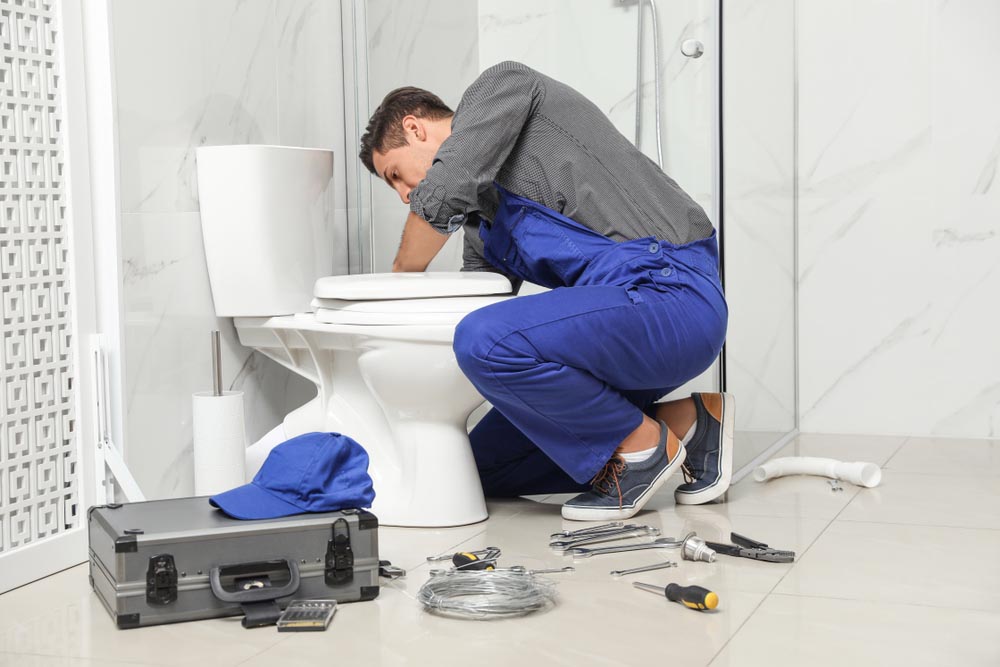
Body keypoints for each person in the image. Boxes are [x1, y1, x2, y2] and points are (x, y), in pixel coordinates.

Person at [358, 61, 732, 521]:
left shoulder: (503, 86)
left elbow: (448, 188)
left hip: (672, 295)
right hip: (621, 337)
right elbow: (479, 301)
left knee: (484, 338)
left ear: (414, 128)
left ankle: (641, 451)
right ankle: (695, 425)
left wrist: (400, 277)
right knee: (483, 467)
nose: (401, 194)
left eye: (394, 174)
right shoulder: (483, 225)